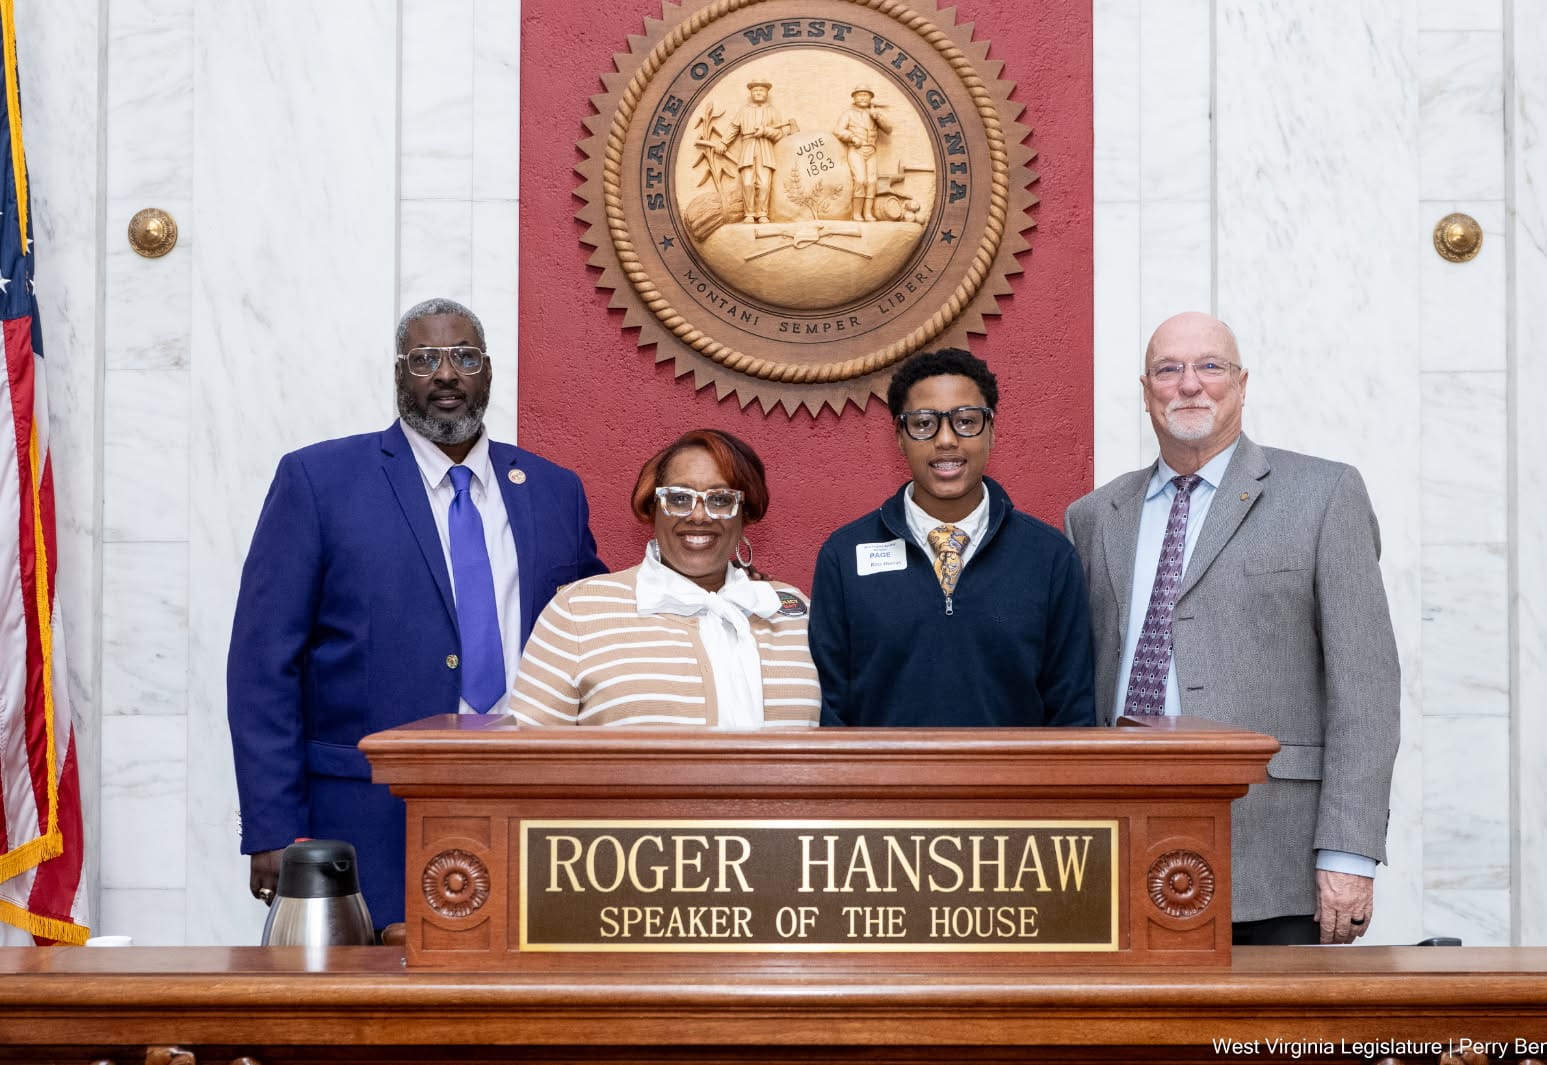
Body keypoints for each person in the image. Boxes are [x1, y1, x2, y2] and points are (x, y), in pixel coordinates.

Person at [226, 297, 605, 932]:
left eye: (465, 357)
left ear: (487, 372)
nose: (447, 374)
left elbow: (596, 631)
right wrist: (273, 827)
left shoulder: (552, 490)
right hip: (363, 821)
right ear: (400, 374)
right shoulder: (320, 482)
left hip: (529, 810)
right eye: (425, 358)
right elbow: (264, 668)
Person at [1064, 311, 1401, 946]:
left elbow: (1367, 689)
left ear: (1242, 384)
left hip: (1275, 854)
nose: (1190, 384)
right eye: (1169, 369)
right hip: (1120, 842)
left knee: (1272, 1046)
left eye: (1210, 367)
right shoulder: (1093, 517)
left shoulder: (1324, 494)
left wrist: (1349, 854)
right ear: (1145, 392)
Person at [809, 348, 1095, 728]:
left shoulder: (1049, 557)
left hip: (1012, 786)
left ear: (991, 431)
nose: (946, 440)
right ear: (899, 436)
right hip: (882, 786)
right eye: (924, 423)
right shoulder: (844, 557)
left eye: (966, 421)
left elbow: (1072, 710)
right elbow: (829, 709)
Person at [511, 429, 819, 727]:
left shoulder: (791, 612)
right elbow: (526, 761)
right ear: (652, 507)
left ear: (746, 513)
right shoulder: (578, 613)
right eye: (680, 499)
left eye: (721, 499)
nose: (699, 515)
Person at [724, 78, 786, 224]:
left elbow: (780, 134)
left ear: (766, 93)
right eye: (756, 91)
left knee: (764, 183)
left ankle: (763, 213)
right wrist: (723, 142)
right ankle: (749, 214)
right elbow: (733, 128)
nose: (758, 93)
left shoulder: (773, 111)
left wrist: (765, 131)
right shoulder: (744, 111)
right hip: (748, 147)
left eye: (761, 91)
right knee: (747, 183)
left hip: (765, 149)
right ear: (751, 93)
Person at [834, 84, 893, 222]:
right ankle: (856, 214)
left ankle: (867, 213)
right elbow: (838, 130)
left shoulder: (874, 114)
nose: (862, 97)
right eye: (859, 95)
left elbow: (889, 129)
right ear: (854, 98)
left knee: (872, 182)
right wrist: (852, 137)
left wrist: (878, 117)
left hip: (871, 151)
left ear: (871, 98)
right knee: (861, 180)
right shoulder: (848, 114)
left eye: (866, 95)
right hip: (856, 151)